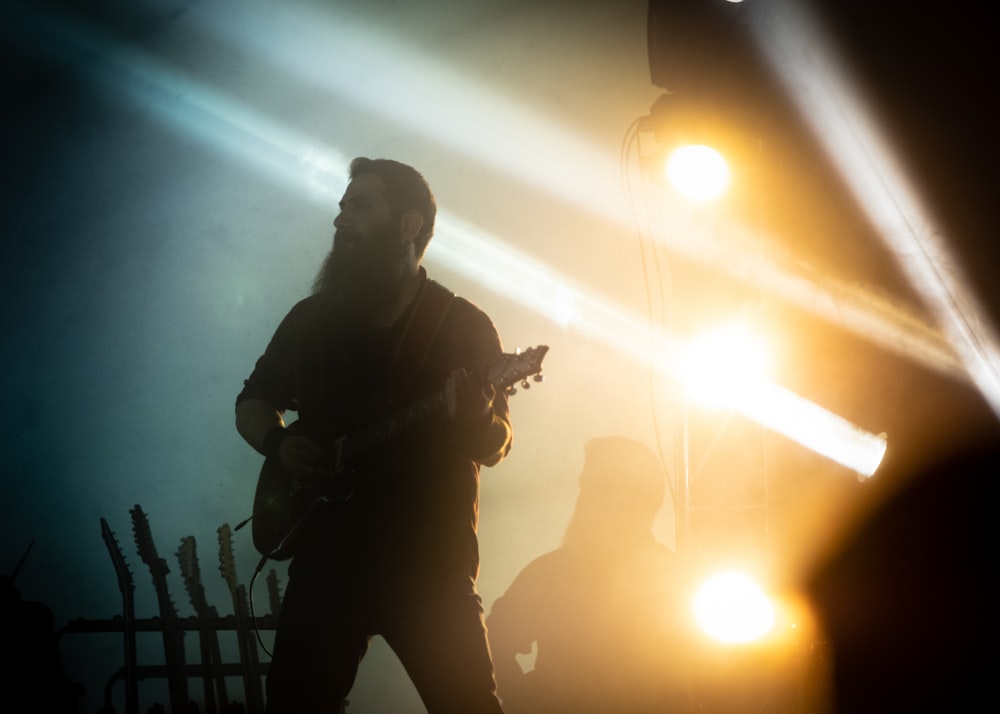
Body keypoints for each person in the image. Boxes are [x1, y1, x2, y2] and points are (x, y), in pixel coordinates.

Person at [235, 157, 513, 713]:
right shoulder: (311, 320)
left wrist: (476, 419)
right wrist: (280, 444)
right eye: (341, 207)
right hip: (328, 561)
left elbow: (498, 444)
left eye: (360, 206)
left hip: (430, 564)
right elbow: (253, 403)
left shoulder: (460, 325)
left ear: (409, 226)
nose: (341, 220)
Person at [486, 436, 690, 713]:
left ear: (643, 501)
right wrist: (524, 698)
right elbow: (490, 644)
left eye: (599, 488)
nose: (582, 500)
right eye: (585, 488)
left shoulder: (677, 583)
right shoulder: (548, 574)